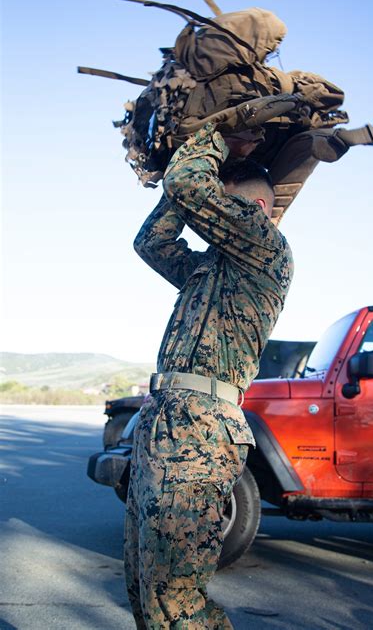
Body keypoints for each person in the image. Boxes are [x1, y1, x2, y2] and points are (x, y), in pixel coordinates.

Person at [124, 121, 293, 629]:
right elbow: (150, 241)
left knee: (177, 599)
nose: (209, 216)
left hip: (201, 428)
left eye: (220, 205)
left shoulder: (266, 251)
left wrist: (218, 138)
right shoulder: (210, 268)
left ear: (257, 212)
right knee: (146, 588)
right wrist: (191, 184)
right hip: (163, 423)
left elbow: (187, 186)